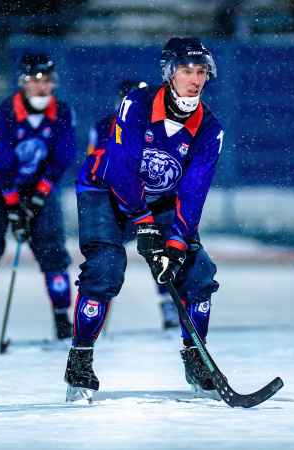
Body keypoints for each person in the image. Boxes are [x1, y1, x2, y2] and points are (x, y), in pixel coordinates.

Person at [64, 37, 223, 402]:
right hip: (103, 189)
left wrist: (178, 243)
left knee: (198, 273)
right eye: (186, 71)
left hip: (160, 199)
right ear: (169, 73)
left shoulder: (209, 128)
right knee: (105, 269)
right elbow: (122, 170)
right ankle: (80, 359)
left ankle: (195, 357)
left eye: (201, 72)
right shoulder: (136, 104)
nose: (194, 80)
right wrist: (146, 225)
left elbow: (193, 192)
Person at [0, 52, 77, 345]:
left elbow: (62, 159)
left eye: (48, 80)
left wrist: (39, 196)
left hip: (39, 186)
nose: (43, 87)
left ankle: (63, 322)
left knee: (53, 252)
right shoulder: (5, 114)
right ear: (23, 82)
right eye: (36, 80)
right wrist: (13, 205)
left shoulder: (62, 113)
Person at [87, 78, 180, 332]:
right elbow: (98, 164)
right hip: (117, 202)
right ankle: (97, 307)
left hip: (151, 202)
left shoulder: (163, 126)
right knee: (107, 256)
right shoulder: (105, 126)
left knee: (163, 252)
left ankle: (170, 304)